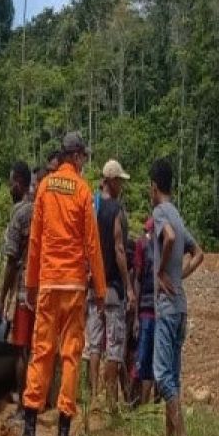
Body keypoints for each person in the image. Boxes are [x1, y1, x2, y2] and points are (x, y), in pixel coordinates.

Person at [17, 132, 107, 436]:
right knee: (71, 356)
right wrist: (99, 289)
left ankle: (29, 431)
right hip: (74, 287)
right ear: (77, 156)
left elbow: (36, 240)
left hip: (49, 283)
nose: (84, 162)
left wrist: (31, 283)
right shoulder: (83, 190)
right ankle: (63, 435)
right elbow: (92, 245)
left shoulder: (44, 187)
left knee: (41, 352)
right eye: (84, 157)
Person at [150, 158, 205, 436]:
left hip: (167, 308)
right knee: (172, 377)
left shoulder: (160, 213)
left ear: (154, 186)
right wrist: (179, 275)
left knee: (161, 375)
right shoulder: (179, 216)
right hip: (181, 306)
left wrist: (161, 273)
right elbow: (199, 253)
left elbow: (168, 238)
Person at [83, 159, 135, 412]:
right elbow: (118, 249)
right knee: (114, 345)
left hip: (93, 285)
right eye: (120, 182)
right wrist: (129, 285)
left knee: (94, 343)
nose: (122, 186)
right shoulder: (115, 210)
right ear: (111, 181)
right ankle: (111, 402)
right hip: (113, 286)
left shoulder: (91, 206)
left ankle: (93, 396)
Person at [0, 161, 35, 420]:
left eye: (11, 183)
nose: (10, 187)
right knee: (36, 349)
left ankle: (23, 407)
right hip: (42, 288)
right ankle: (36, 401)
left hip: (23, 289)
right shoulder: (41, 208)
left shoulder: (20, 214)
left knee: (21, 348)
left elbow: (11, 260)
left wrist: (1, 299)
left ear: (18, 184)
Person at [132, 217, 158, 404]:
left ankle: (147, 405)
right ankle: (141, 404)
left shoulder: (149, 246)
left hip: (154, 312)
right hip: (148, 311)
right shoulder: (145, 245)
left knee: (150, 360)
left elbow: (138, 279)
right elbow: (138, 279)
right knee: (144, 359)